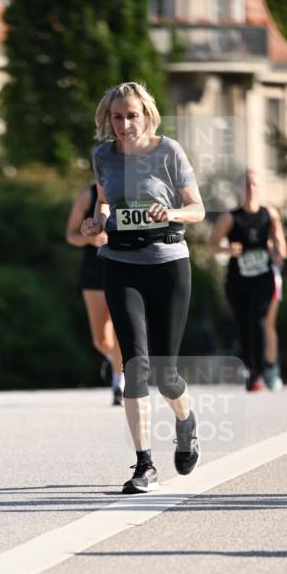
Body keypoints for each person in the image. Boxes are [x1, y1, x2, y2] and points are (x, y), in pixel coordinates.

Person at [81, 81, 205, 494]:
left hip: (167, 263)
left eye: (131, 115)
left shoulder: (168, 151)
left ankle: (186, 422)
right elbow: (102, 202)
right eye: (117, 117)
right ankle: (144, 463)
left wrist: (169, 211)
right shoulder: (103, 156)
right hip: (119, 263)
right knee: (134, 364)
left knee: (167, 374)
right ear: (108, 119)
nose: (124, 123)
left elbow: (197, 208)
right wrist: (96, 222)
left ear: (146, 114)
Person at [209, 170, 287, 391]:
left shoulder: (269, 215)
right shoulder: (230, 218)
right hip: (238, 281)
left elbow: (279, 240)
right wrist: (228, 248)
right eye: (246, 185)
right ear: (239, 189)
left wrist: (279, 252)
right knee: (244, 324)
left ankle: (261, 371)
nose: (250, 189)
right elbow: (212, 244)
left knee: (259, 320)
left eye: (253, 184)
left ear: (259, 188)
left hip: (263, 279)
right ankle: (251, 370)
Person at [66, 182, 124, 405]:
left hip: (124, 266)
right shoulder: (87, 194)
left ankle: (120, 382)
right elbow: (70, 234)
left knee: (121, 330)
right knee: (100, 339)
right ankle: (118, 363)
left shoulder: (131, 190)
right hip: (94, 271)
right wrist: (89, 238)